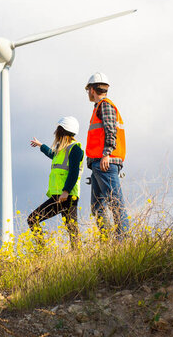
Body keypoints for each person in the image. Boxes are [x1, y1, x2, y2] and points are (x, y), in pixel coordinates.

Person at [84, 72, 129, 239]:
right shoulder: (99, 107)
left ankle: (123, 241)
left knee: (115, 203)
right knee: (97, 206)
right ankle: (107, 240)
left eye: (88, 89)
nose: (88, 93)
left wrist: (106, 154)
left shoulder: (105, 106)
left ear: (92, 90)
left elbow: (111, 131)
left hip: (105, 162)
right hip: (99, 163)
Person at [28, 116, 84, 248]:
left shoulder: (74, 149)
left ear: (62, 130)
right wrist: (41, 146)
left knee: (33, 219)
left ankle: (43, 251)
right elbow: (52, 154)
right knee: (72, 228)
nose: (55, 131)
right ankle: (76, 255)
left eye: (57, 128)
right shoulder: (62, 149)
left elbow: (74, 172)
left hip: (67, 195)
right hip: (60, 195)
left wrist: (66, 191)